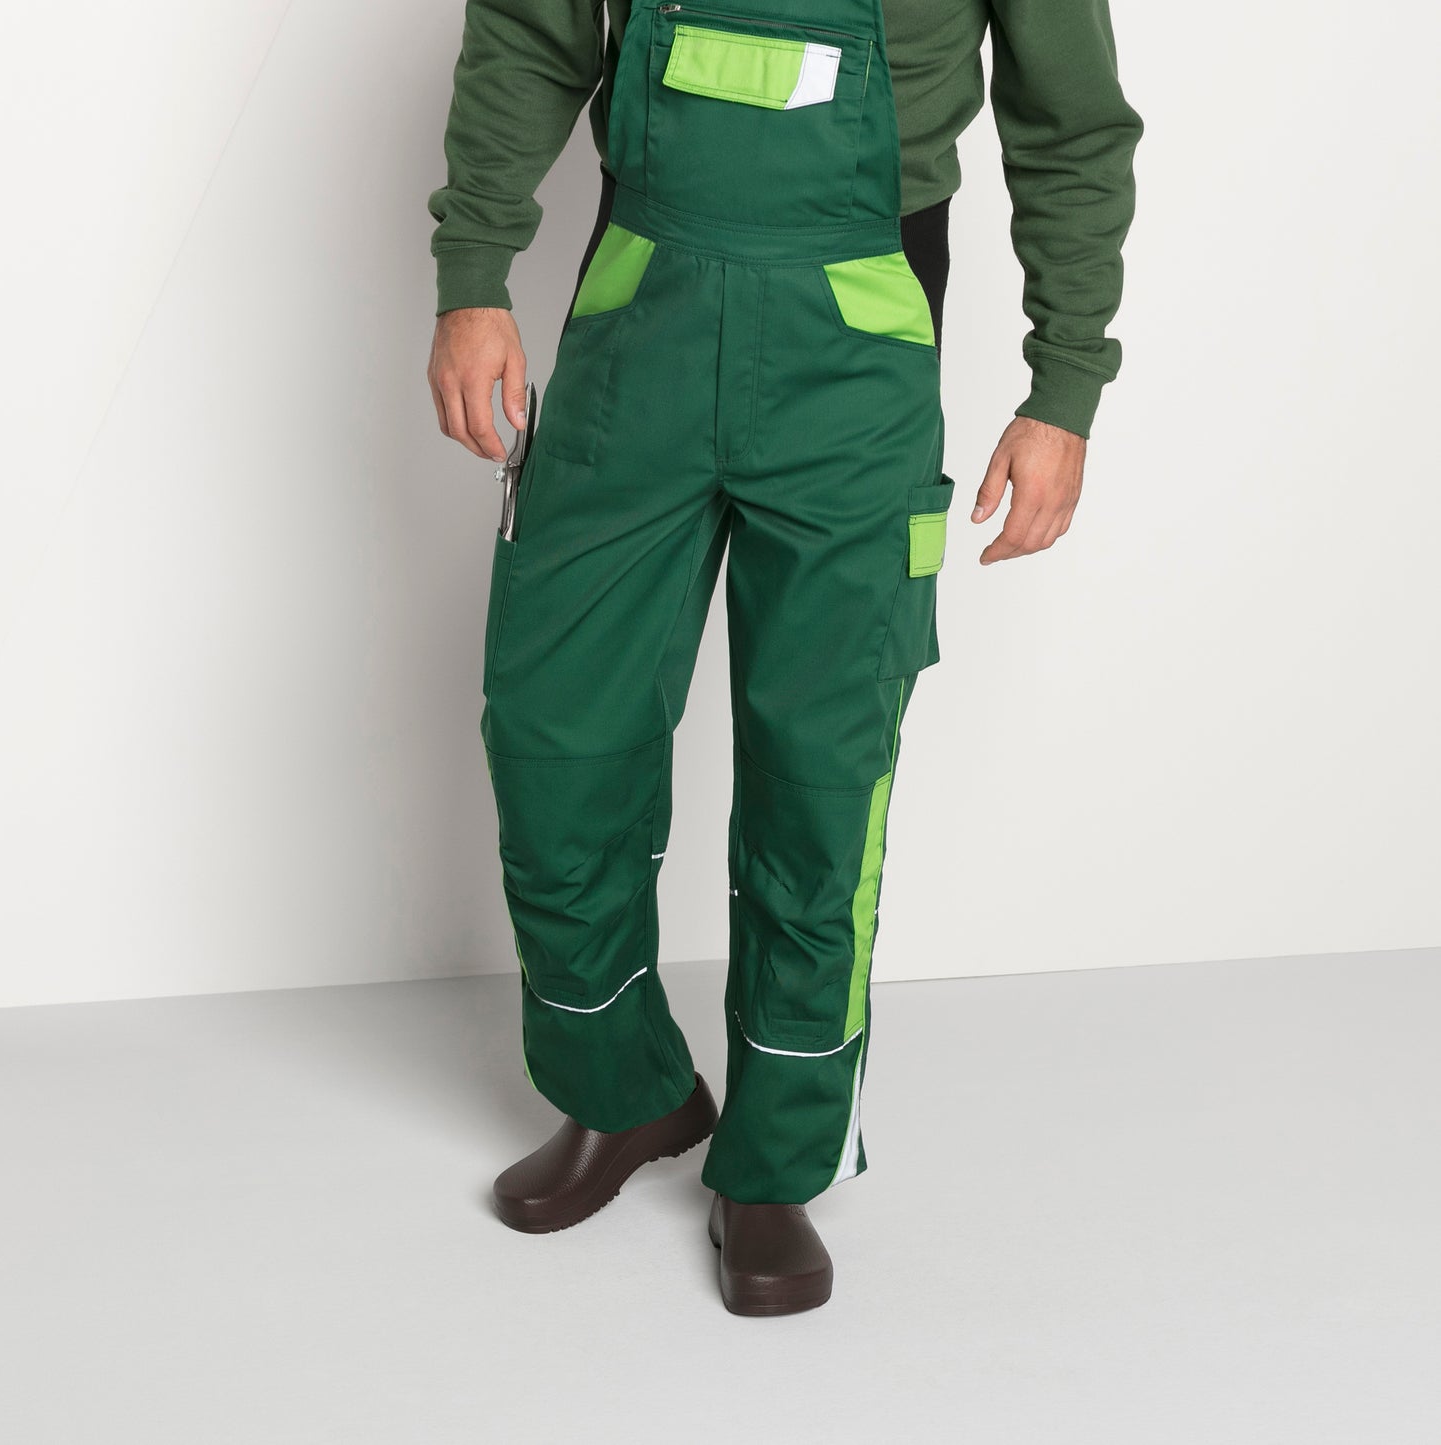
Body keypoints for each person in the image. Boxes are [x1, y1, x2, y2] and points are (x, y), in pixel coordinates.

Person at [425, 0, 1142, 1316]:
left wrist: (1065, 385)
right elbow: (531, 28)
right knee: (552, 732)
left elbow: (1072, 124)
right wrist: (473, 274)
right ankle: (622, 1090)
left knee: (820, 775)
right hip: (638, 300)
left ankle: (774, 1159)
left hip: (856, 337)